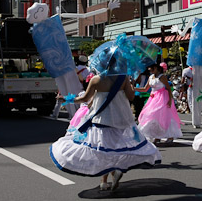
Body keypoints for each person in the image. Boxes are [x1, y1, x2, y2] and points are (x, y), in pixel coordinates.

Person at [50, 45, 161, 192]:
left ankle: (104, 181)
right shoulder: (123, 78)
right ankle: (117, 170)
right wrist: (130, 86)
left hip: (101, 119)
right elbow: (131, 97)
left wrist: (68, 98)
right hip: (121, 118)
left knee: (103, 150)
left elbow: (84, 98)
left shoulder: (96, 79)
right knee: (116, 147)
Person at [137, 62, 182, 144]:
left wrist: (169, 100)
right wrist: (135, 89)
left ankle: (170, 136)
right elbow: (145, 89)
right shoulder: (150, 77)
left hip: (162, 98)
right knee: (152, 116)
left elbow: (168, 89)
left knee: (164, 116)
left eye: (152, 68)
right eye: (149, 68)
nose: (150, 70)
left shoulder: (162, 77)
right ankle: (157, 136)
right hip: (153, 99)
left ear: (157, 68)